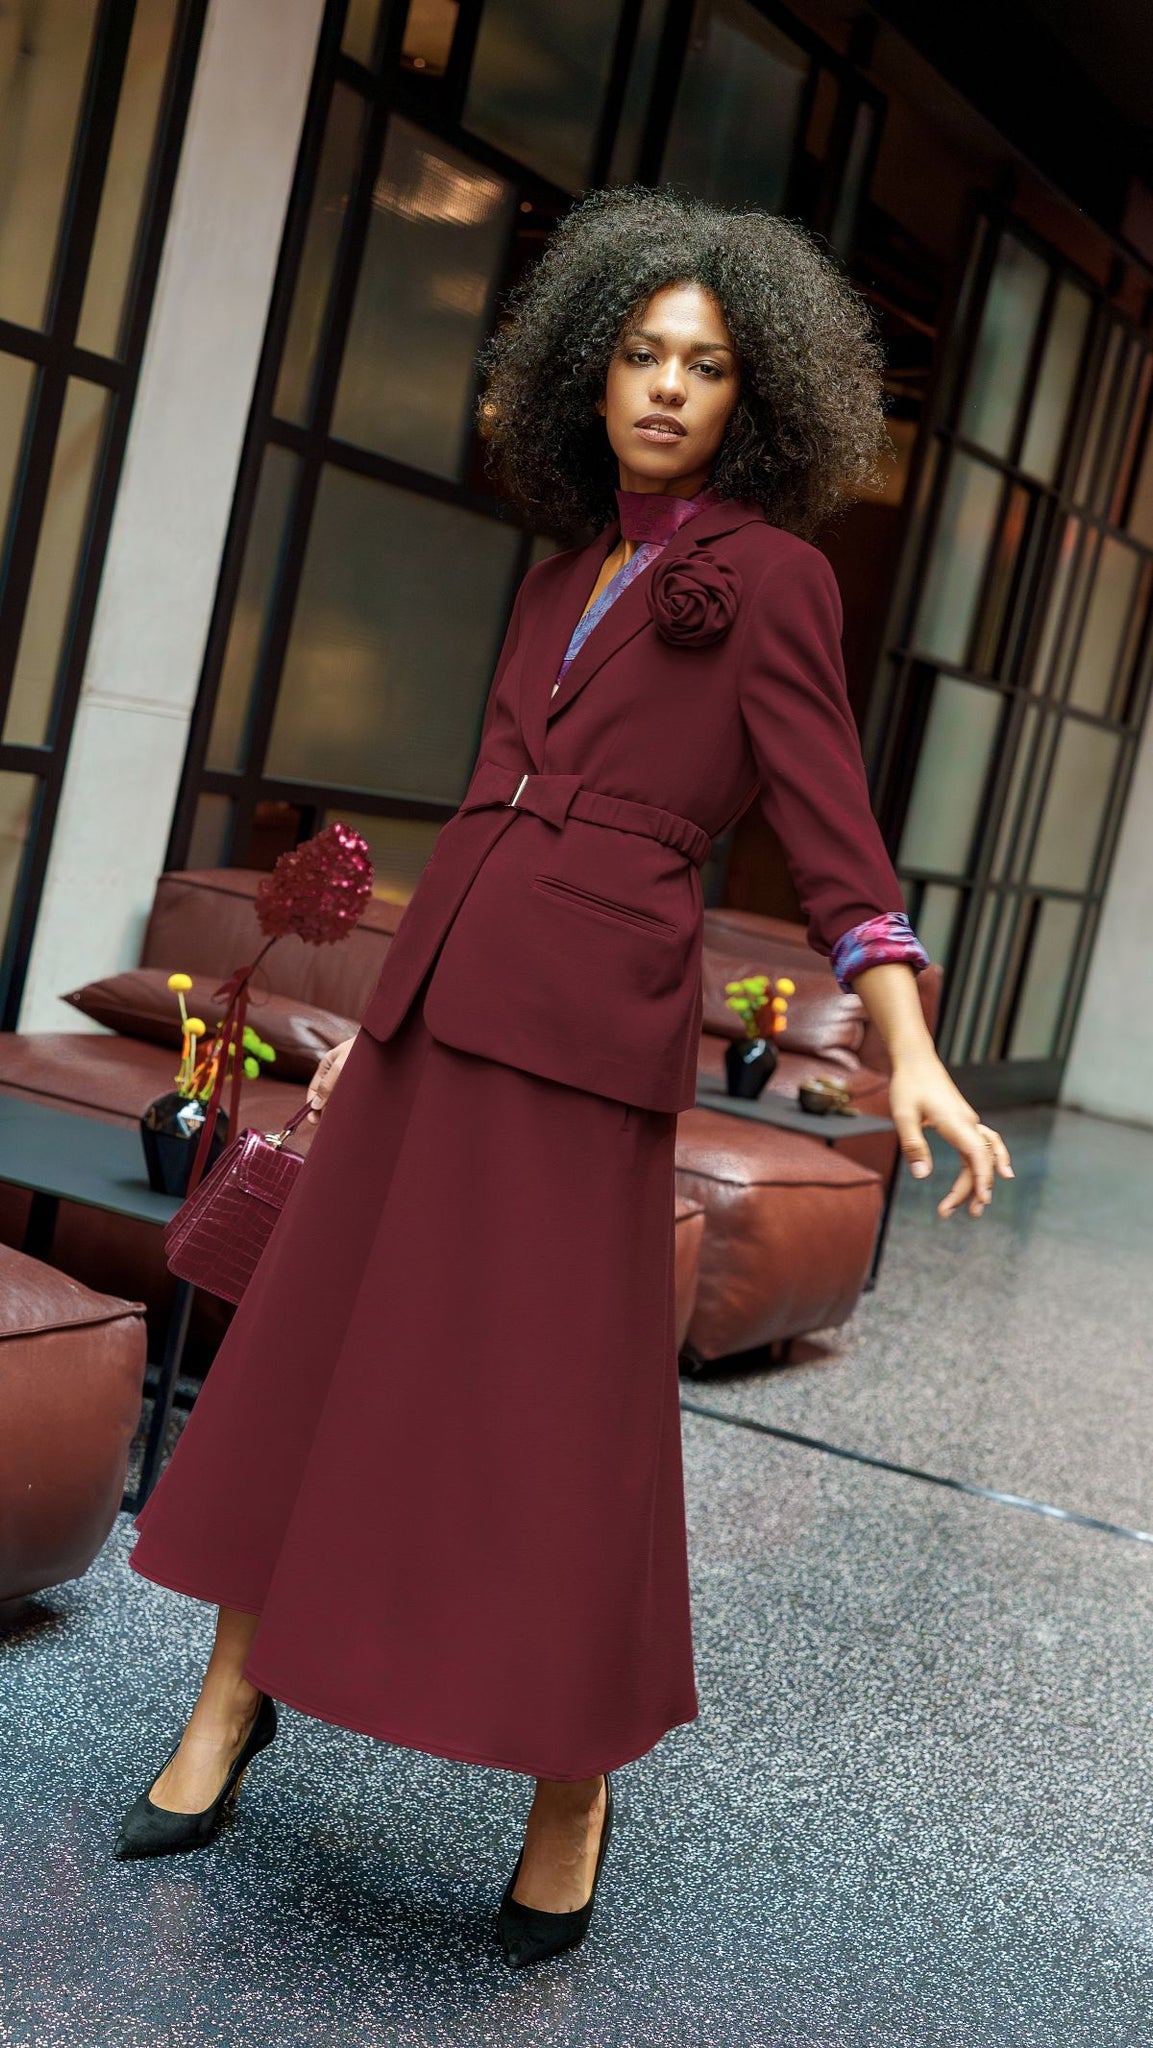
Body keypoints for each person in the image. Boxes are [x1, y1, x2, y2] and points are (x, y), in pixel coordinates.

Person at [116, 186, 1013, 1968]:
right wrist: (382, 1017)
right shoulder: (553, 579)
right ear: (584, 378)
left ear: (755, 399)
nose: (665, 388)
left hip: (587, 1052)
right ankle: (228, 1697)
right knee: (309, 1359)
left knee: (558, 1423)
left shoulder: (769, 582)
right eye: (637, 353)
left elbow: (835, 845)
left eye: (704, 363)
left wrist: (907, 1043)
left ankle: (568, 1786)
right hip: (441, 1018)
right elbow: (484, 807)